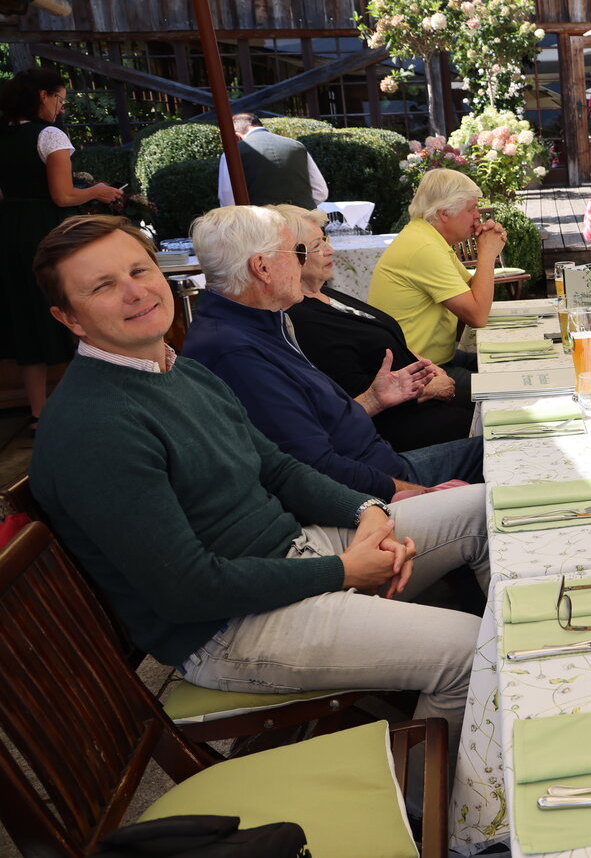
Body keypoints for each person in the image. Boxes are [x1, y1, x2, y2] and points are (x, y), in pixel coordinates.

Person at [29, 215, 488, 746]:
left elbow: (278, 467)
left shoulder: (180, 370)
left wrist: (367, 512)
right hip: (230, 628)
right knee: (476, 653)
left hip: (294, 556)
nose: (135, 292)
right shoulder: (94, 427)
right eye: (103, 286)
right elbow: (188, 591)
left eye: (139, 270)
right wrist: (343, 570)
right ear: (69, 318)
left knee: (483, 509)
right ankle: (438, 794)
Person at [183, 205, 483, 501]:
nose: (302, 263)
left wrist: (374, 399)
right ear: (262, 268)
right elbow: (313, 468)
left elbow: (318, 428)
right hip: (380, 491)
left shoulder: (259, 323)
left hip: (384, 466)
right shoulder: (235, 351)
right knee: (502, 450)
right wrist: (416, 494)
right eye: (298, 252)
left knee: (503, 444)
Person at [279, 205, 472, 454]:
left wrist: (427, 366)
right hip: (395, 423)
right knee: (487, 417)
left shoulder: (323, 293)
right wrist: (428, 389)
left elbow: (386, 334)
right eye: (318, 244)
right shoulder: (302, 318)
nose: (330, 249)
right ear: (291, 256)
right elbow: (352, 391)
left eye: (325, 239)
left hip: (422, 387)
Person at [0, 67, 124, 430]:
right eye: (60, 99)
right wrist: (98, 191)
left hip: (9, 231)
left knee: (24, 314)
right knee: (70, 308)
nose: (61, 108)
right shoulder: (50, 135)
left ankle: (38, 412)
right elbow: (63, 195)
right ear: (43, 96)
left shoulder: (3, 134)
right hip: (46, 231)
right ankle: (83, 403)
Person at [367, 168, 506, 394]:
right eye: (471, 208)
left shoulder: (425, 236)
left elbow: (472, 292)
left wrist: (486, 249)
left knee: (512, 364)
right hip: (414, 373)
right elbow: (478, 316)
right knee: (508, 386)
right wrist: (488, 255)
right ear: (444, 213)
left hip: (431, 360)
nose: (477, 216)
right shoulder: (423, 247)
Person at [217, 112, 328, 209]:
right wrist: (300, 207)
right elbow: (321, 192)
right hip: (304, 220)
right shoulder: (297, 146)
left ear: (236, 136)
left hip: (261, 222)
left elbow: (228, 199)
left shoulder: (232, 153)